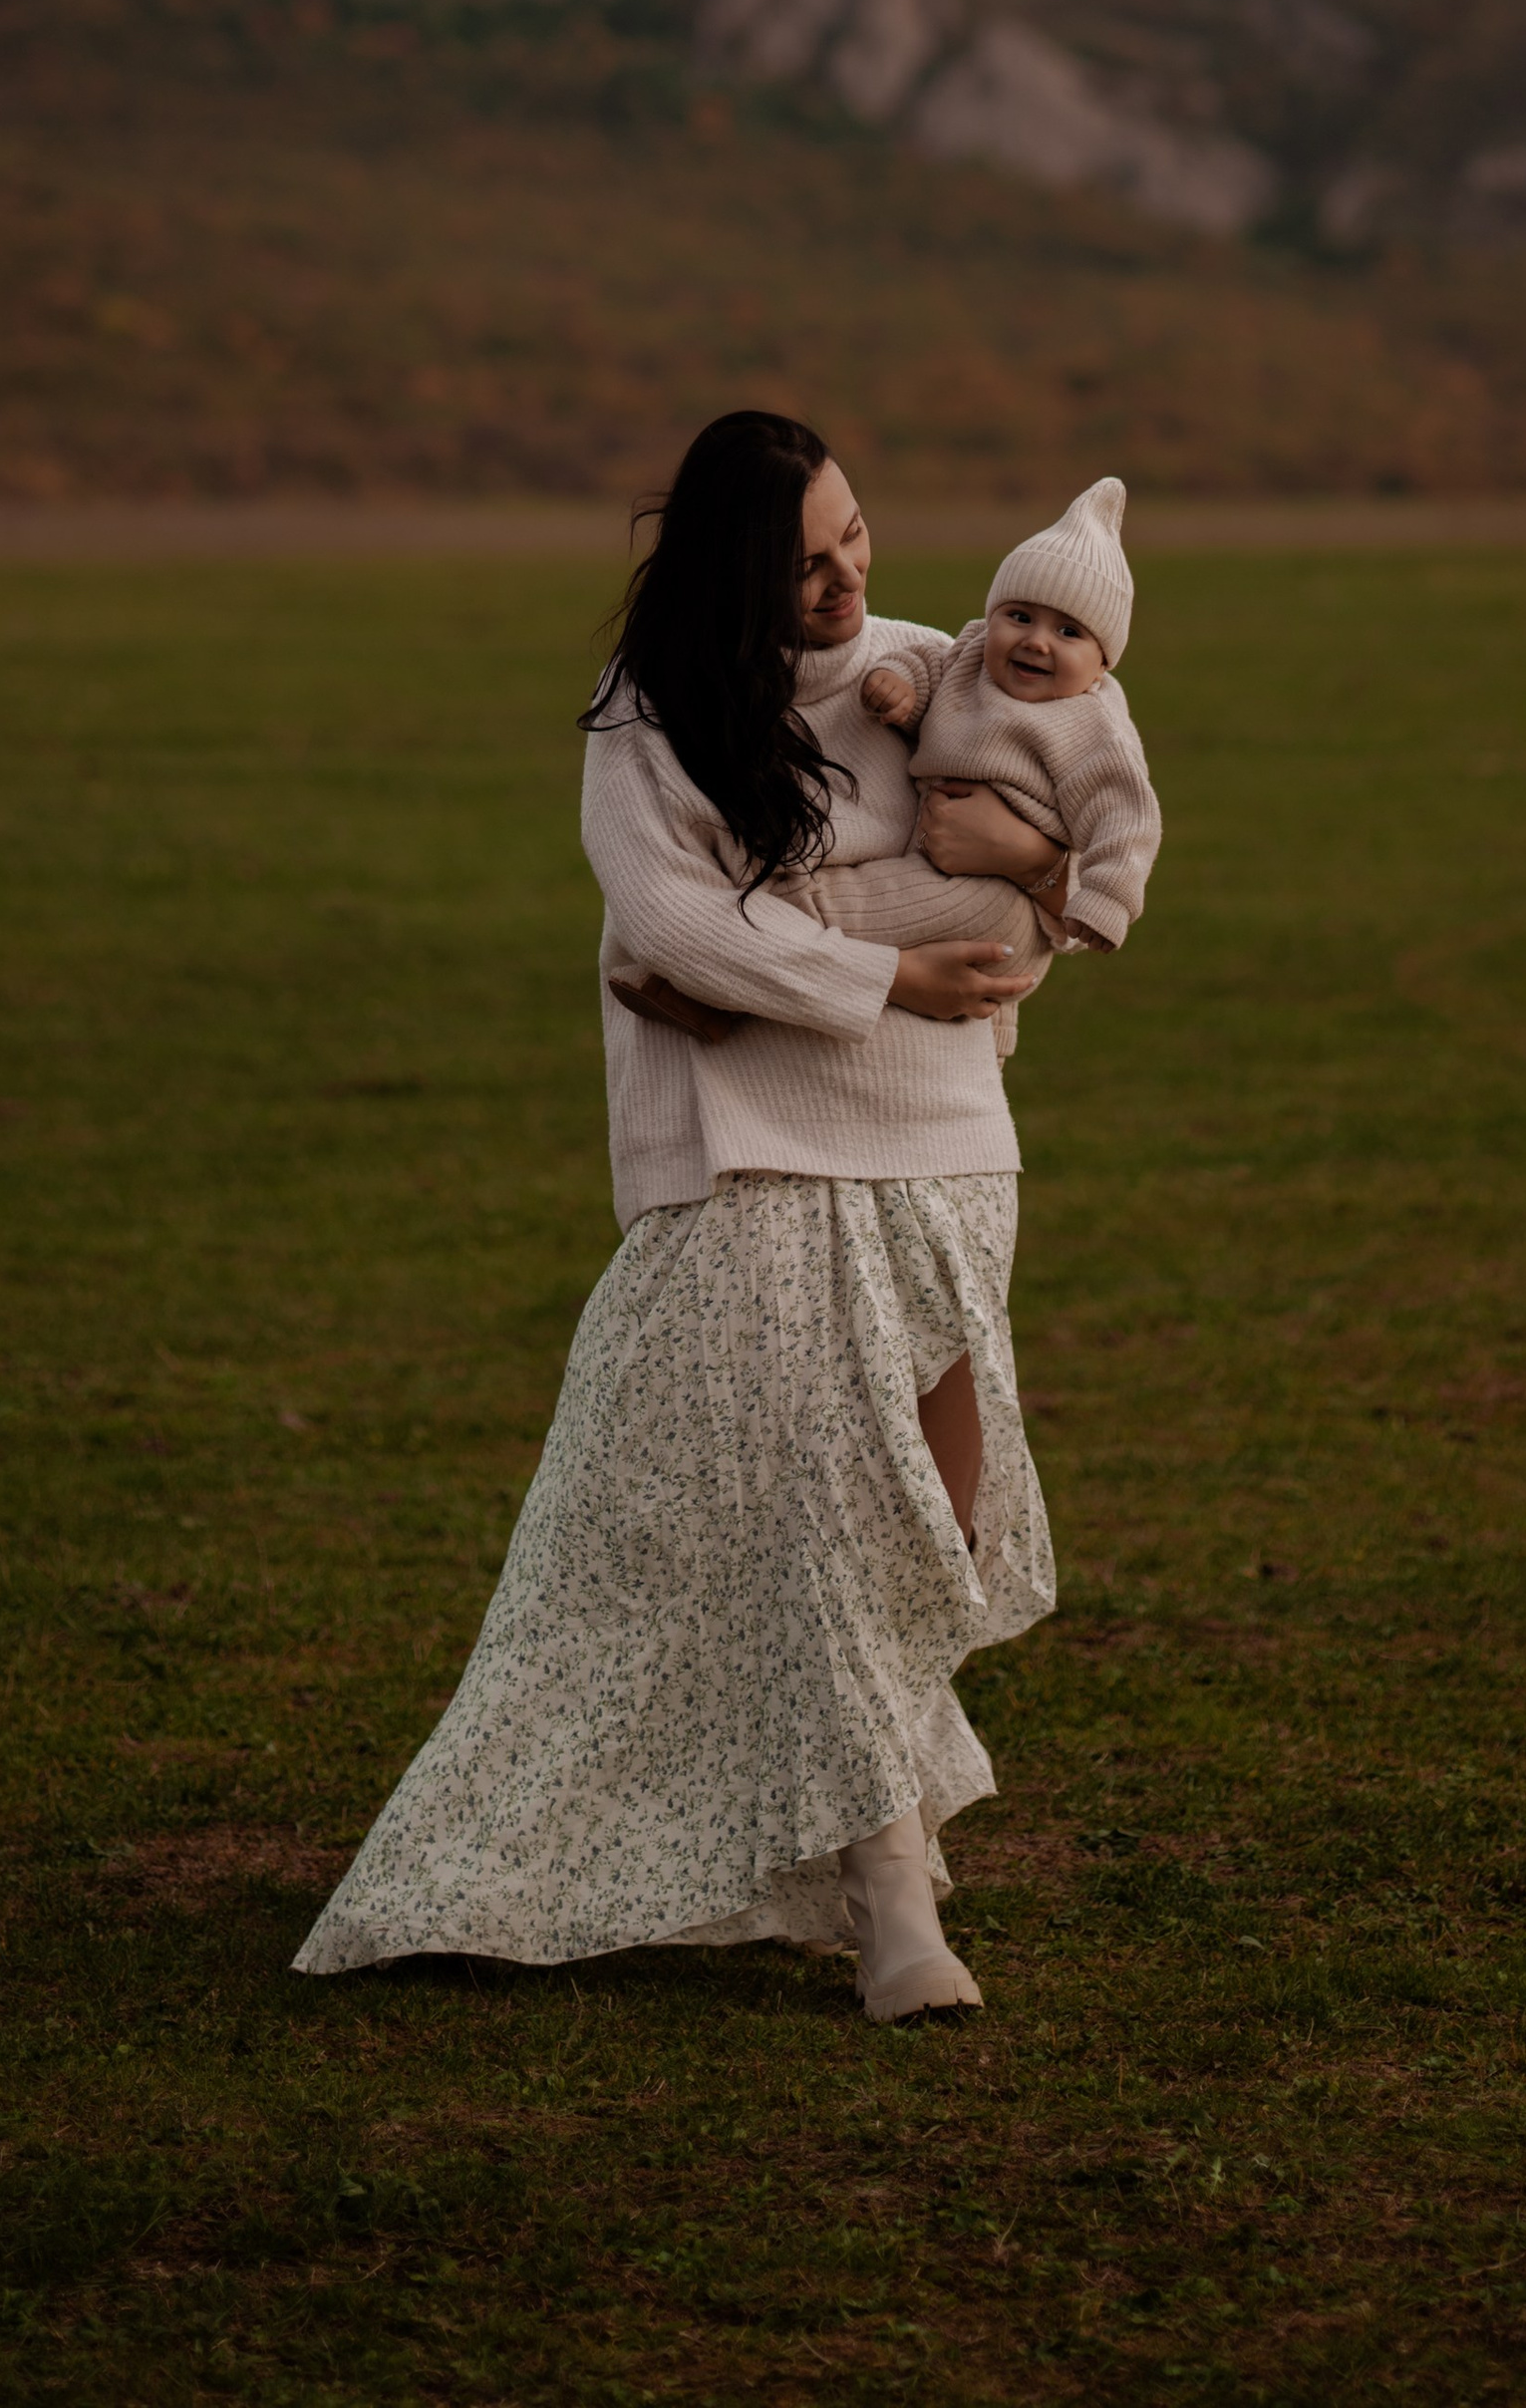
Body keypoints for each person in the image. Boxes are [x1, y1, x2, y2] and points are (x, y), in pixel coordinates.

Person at [293, 412, 1069, 2023]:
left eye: (856, 536)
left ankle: (890, 1813)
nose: (849, 578)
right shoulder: (649, 720)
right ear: (730, 573)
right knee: (808, 1512)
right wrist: (875, 972)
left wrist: (903, 916)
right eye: (806, 560)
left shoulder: (932, 672)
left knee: (936, 1513)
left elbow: (1050, 880)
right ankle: (888, 1891)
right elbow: (664, 921)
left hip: (944, 1144)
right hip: (754, 1157)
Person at [618, 475, 1161, 1048]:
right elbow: (931, 667)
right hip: (929, 866)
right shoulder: (972, 655)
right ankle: (726, 996)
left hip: (989, 892)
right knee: (882, 898)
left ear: (1102, 666)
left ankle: (733, 958)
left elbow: (1126, 819)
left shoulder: (1091, 726)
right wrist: (898, 684)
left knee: (842, 905)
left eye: (1069, 631)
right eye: (1020, 616)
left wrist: (1103, 897)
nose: (1036, 641)